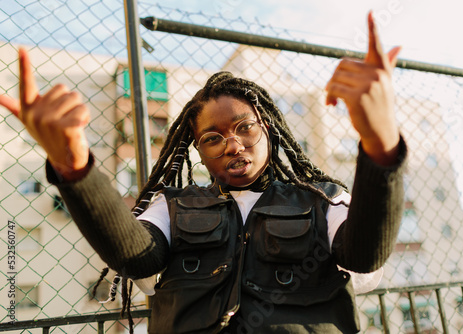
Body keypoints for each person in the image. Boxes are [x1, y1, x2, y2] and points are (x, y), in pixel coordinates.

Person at [0, 12, 406, 334]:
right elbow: (136, 257)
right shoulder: (172, 205)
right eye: (213, 137)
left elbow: (365, 254)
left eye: (244, 127)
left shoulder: (321, 199)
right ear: (198, 150)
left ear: (266, 129)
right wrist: (74, 168)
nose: (232, 144)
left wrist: (380, 145)